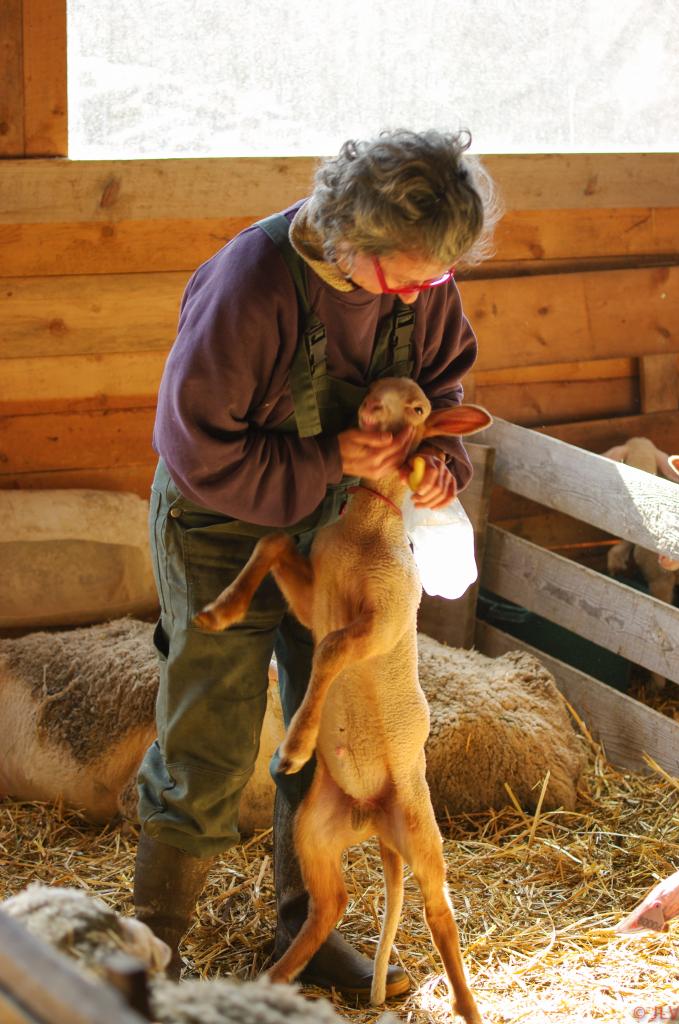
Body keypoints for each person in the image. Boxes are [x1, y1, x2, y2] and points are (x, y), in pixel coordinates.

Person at [133, 128, 498, 994]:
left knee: (327, 728)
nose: (417, 291)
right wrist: (328, 459)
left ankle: (303, 926)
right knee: (211, 735)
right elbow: (199, 449)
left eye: (434, 276)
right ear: (347, 234)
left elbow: (445, 387)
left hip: (338, 533)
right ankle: (151, 951)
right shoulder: (250, 285)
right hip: (223, 522)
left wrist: (439, 467)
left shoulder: (421, 282)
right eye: (401, 275)